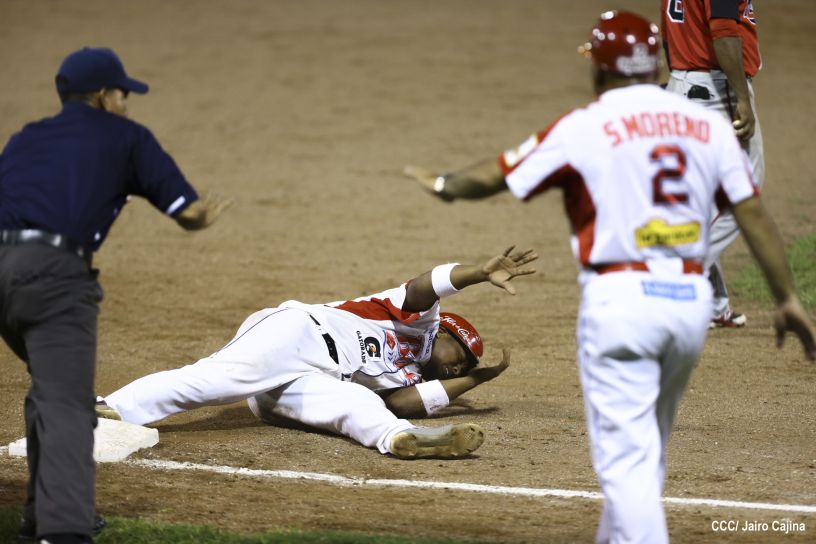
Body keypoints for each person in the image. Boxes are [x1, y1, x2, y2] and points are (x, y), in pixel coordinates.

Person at [404, 11, 814, 543]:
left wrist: (441, 183)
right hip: (688, 306)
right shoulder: (706, 126)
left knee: (626, 470)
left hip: (621, 307)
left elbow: (495, 175)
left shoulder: (585, 125)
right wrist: (786, 297)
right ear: (654, 65)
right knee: (645, 454)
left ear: (600, 70)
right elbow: (752, 213)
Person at [0, 47, 230, 544]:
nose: (127, 103)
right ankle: (63, 532)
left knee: (54, 388)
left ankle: (40, 517)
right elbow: (185, 211)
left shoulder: (26, 138)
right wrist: (203, 217)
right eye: (123, 93)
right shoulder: (127, 137)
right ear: (105, 96)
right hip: (54, 278)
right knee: (64, 402)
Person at [97, 246, 537, 459]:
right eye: (459, 349)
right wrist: (478, 273)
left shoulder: (409, 377)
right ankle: (108, 408)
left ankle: (402, 440)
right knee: (214, 382)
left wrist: (479, 378)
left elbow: (406, 401)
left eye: (466, 363)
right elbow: (426, 284)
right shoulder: (416, 320)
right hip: (297, 335)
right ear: (444, 329)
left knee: (360, 403)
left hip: (299, 388)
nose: (460, 362)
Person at [661, 0, 763, 328]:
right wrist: (741, 99)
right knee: (743, 192)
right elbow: (723, 32)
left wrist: (678, 76)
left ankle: (713, 303)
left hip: (685, 85)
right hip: (716, 91)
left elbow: (670, 29)